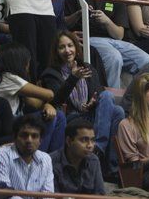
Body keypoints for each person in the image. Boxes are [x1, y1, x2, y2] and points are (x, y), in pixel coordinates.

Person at [64, 0, 149, 87]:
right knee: (114, 57)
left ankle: (135, 100)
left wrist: (106, 21)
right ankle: (110, 101)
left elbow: (119, 35)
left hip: (113, 41)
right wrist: (79, 14)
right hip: (88, 39)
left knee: (146, 60)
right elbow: (64, 24)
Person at [40, 31, 125, 167]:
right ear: (56, 51)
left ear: (76, 47)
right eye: (62, 47)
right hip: (71, 117)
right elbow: (56, 99)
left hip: (90, 113)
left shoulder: (87, 67)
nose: (67, 50)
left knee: (116, 107)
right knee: (117, 110)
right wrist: (73, 78)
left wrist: (93, 102)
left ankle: (107, 161)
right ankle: (100, 151)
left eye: (70, 46)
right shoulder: (51, 73)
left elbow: (99, 92)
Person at [0, 114, 54, 194]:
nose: (29, 140)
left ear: (40, 141)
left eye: (34, 136)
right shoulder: (0, 156)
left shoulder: (45, 159)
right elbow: (4, 196)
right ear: (15, 137)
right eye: (24, 135)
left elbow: (48, 195)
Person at [49, 118, 104, 195]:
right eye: (84, 140)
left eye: (92, 140)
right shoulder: (51, 162)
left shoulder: (93, 160)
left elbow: (100, 195)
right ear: (69, 141)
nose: (90, 145)